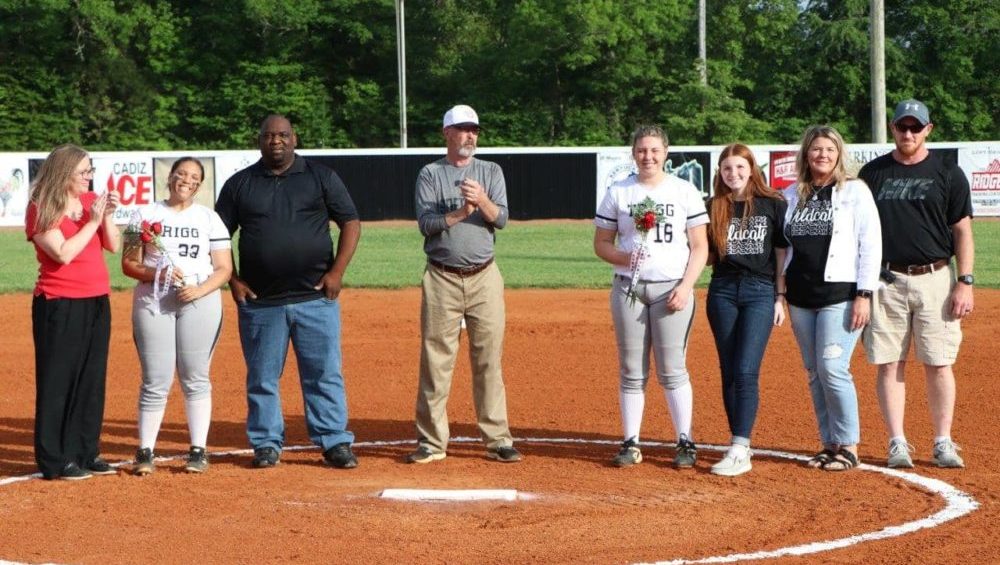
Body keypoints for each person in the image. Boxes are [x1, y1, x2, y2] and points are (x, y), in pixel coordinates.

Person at [215, 115, 362, 470]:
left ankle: (333, 441)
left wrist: (337, 272)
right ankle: (266, 442)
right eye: (268, 136)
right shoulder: (240, 184)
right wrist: (232, 279)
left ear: (294, 138)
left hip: (315, 297)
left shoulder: (320, 177)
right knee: (263, 376)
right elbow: (217, 236)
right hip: (262, 302)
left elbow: (351, 222)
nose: (276, 141)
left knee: (324, 372)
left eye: (282, 135)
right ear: (259, 140)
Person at [859, 99, 975, 469]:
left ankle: (943, 441)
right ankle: (898, 442)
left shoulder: (948, 172)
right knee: (890, 363)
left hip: (936, 278)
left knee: (939, 363)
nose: (908, 133)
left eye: (915, 127)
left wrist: (965, 281)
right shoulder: (873, 173)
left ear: (929, 129)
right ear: (892, 128)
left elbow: (962, 231)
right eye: (901, 126)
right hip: (886, 279)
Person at [408, 104, 521, 464]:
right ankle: (431, 442)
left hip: (484, 277)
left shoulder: (490, 171)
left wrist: (482, 200)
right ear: (447, 133)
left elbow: (501, 219)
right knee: (436, 360)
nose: (470, 135)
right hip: (441, 276)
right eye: (462, 129)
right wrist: (460, 213)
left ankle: (497, 439)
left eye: (474, 129)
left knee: (489, 359)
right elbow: (425, 224)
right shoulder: (430, 174)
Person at [594, 125, 709, 469]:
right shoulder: (619, 191)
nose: (648, 156)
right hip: (630, 288)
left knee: (673, 369)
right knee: (632, 370)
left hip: (671, 287)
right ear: (633, 153)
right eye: (642, 150)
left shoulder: (684, 190)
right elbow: (601, 244)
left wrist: (686, 286)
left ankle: (685, 440)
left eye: (655, 150)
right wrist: (624, 258)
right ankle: (630, 441)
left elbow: (700, 247)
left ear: (666, 154)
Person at [122, 157, 233, 475]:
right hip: (153, 301)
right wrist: (158, 271)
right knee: (155, 379)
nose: (187, 180)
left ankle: (198, 450)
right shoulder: (144, 215)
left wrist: (199, 290)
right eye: (182, 174)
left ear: (199, 184)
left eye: (194, 177)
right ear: (170, 178)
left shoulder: (210, 218)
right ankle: (145, 451)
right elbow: (129, 263)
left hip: (198, 301)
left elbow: (224, 268)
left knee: (195, 376)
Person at [782, 125, 881, 472]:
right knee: (814, 372)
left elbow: (870, 245)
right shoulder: (792, 194)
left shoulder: (854, 191)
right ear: (805, 154)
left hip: (839, 295)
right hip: (800, 296)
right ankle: (829, 443)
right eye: (815, 149)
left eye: (829, 149)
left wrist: (864, 294)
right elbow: (784, 248)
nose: (822, 155)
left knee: (833, 368)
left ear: (839, 154)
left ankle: (849, 444)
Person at [25, 144, 121, 480]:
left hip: (96, 299)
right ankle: (55, 458)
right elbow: (63, 253)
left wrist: (105, 215)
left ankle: (85, 450)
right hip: (59, 302)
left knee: (91, 379)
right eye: (84, 171)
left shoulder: (89, 203)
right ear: (64, 172)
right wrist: (92, 222)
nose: (89, 177)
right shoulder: (41, 208)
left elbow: (113, 245)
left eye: (90, 171)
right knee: (58, 381)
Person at [704, 143, 789, 477]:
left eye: (740, 167)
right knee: (728, 370)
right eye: (727, 168)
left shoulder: (772, 204)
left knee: (745, 369)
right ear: (720, 173)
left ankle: (740, 446)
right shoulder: (713, 206)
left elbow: (782, 254)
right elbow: (706, 253)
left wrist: (780, 297)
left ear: (752, 169)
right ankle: (738, 444)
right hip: (722, 290)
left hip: (760, 291)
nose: (733, 174)